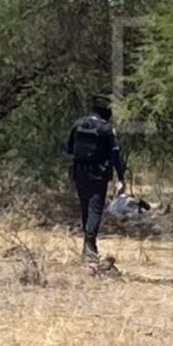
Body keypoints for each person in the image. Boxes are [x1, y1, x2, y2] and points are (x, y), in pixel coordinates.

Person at [65, 96, 127, 263]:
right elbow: (115, 155)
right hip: (98, 175)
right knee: (95, 209)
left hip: (79, 173)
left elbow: (68, 148)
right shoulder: (106, 129)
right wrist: (120, 178)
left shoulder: (78, 124)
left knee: (85, 207)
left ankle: (87, 246)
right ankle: (90, 246)